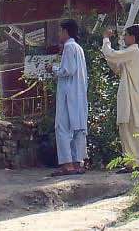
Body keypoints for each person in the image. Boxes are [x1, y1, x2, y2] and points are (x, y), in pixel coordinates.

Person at [102, 25, 139, 171]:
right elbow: (116, 65)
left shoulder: (133, 51)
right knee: (127, 128)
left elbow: (112, 55)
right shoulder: (131, 53)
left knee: (131, 128)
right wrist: (109, 52)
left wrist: (106, 40)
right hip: (129, 94)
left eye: (126, 35)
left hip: (130, 95)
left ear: (132, 37)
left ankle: (136, 162)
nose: (124, 38)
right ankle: (132, 162)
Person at [52, 18, 88, 175]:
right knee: (78, 129)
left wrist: (53, 69)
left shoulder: (68, 47)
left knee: (63, 127)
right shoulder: (78, 48)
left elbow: (68, 70)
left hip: (68, 94)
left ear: (65, 31)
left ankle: (67, 164)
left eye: (60, 31)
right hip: (79, 94)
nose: (59, 34)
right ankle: (78, 162)